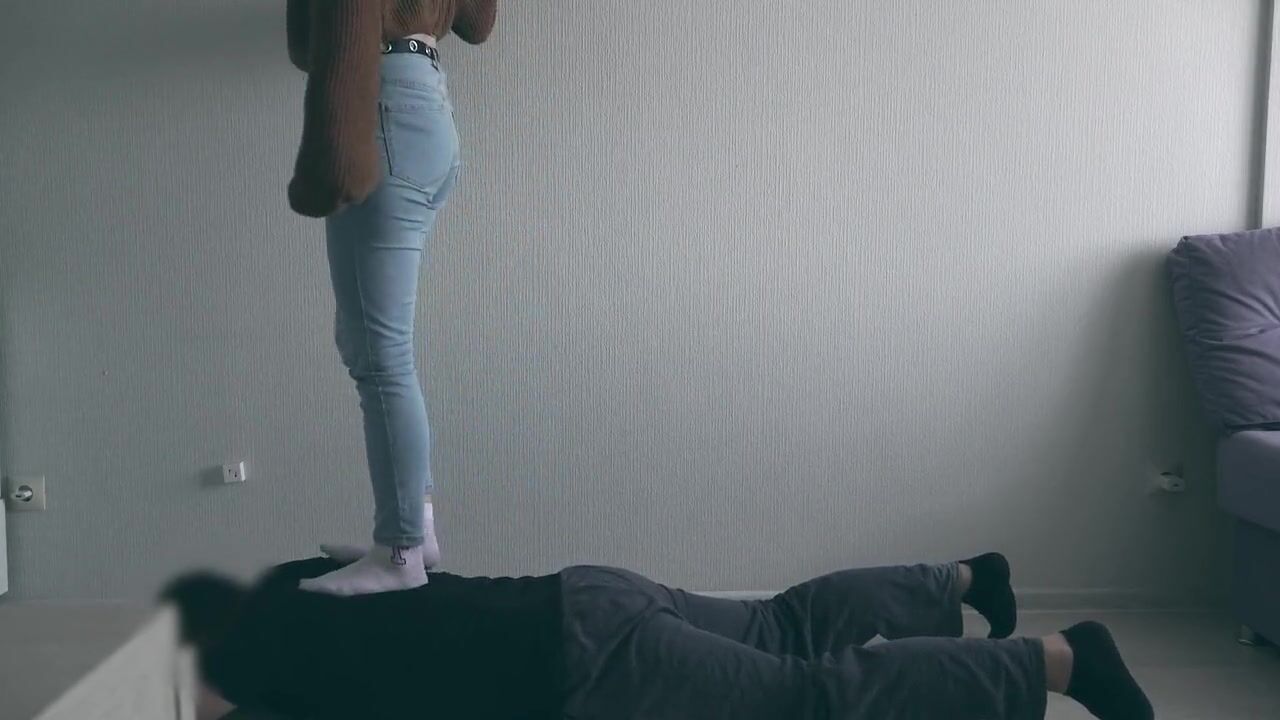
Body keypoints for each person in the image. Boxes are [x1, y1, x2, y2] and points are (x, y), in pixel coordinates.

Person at [163, 552, 1154, 720]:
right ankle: (962, 580)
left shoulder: (250, 673)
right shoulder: (295, 578)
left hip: (583, 668)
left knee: (809, 699)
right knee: (782, 624)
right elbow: (409, 555)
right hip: (582, 597)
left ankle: (1060, 661)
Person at [284, 0, 498, 596]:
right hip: (424, 107)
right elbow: (477, 22)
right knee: (374, 349)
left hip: (382, 113)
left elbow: (343, 33)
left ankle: (399, 552)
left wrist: (331, 164)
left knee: (382, 358)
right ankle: (413, 531)